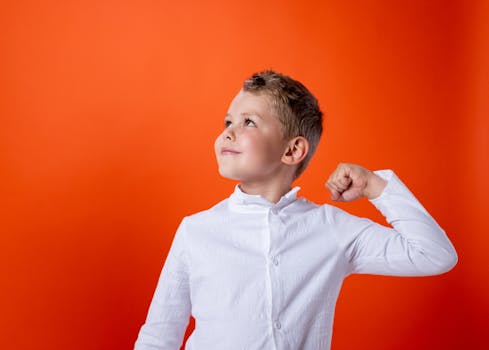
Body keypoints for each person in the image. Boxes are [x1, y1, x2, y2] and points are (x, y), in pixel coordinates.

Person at [134, 70, 458, 350]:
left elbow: (434, 254)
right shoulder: (196, 231)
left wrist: (375, 185)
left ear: (292, 150)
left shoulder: (332, 228)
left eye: (248, 122)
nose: (227, 132)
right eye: (228, 121)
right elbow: (159, 336)